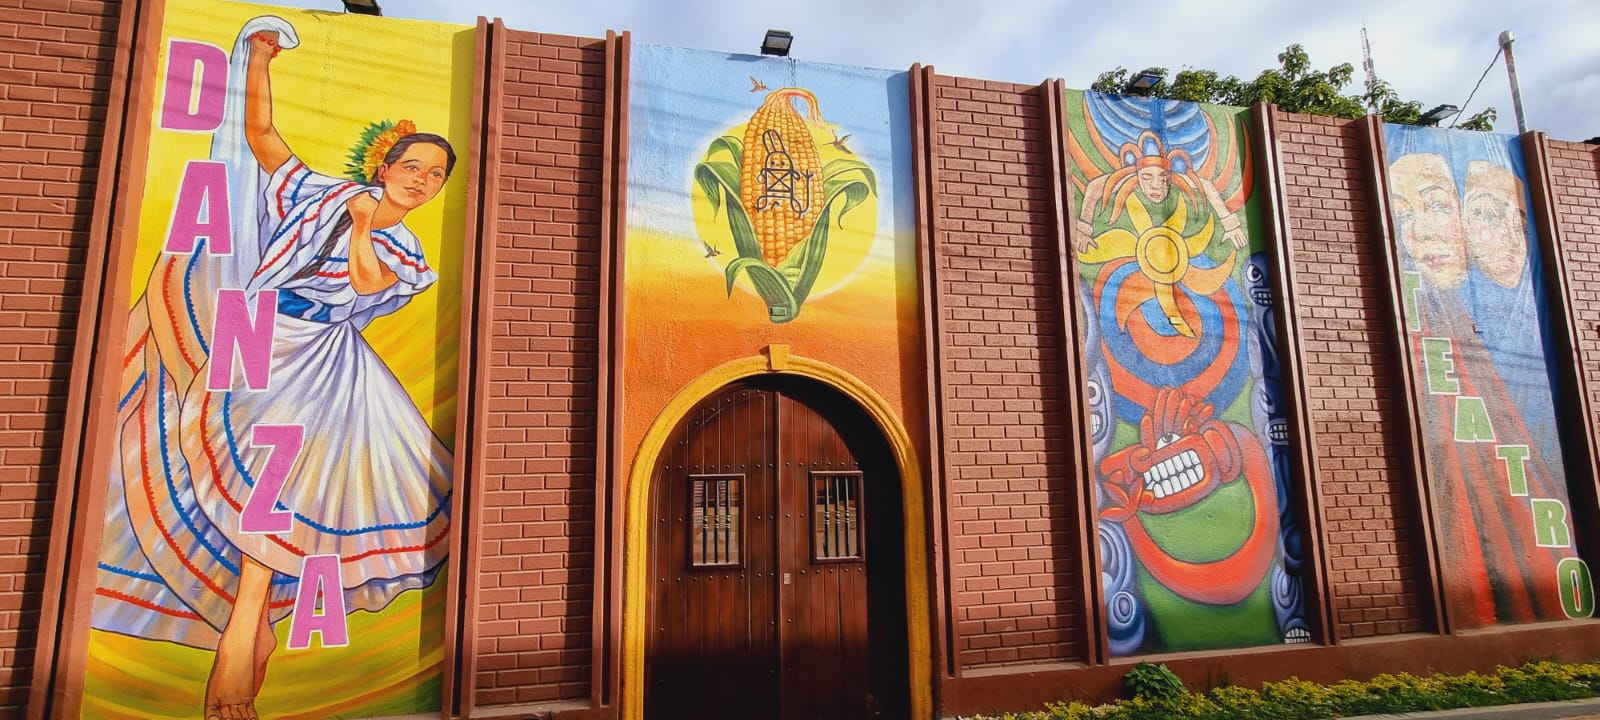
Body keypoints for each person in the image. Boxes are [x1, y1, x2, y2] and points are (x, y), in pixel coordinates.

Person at [91, 19, 454, 720]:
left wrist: (357, 224)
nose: (423, 182)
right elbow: (262, 137)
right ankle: (240, 636)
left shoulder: (410, 252)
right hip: (259, 334)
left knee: (283, 499)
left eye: (436, 176)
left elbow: (366, 280)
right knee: (229, 461)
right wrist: (258, 57)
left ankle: (243, 636)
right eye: (414, 167)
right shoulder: (314, 189)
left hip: (326, 369)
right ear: (385, 166)